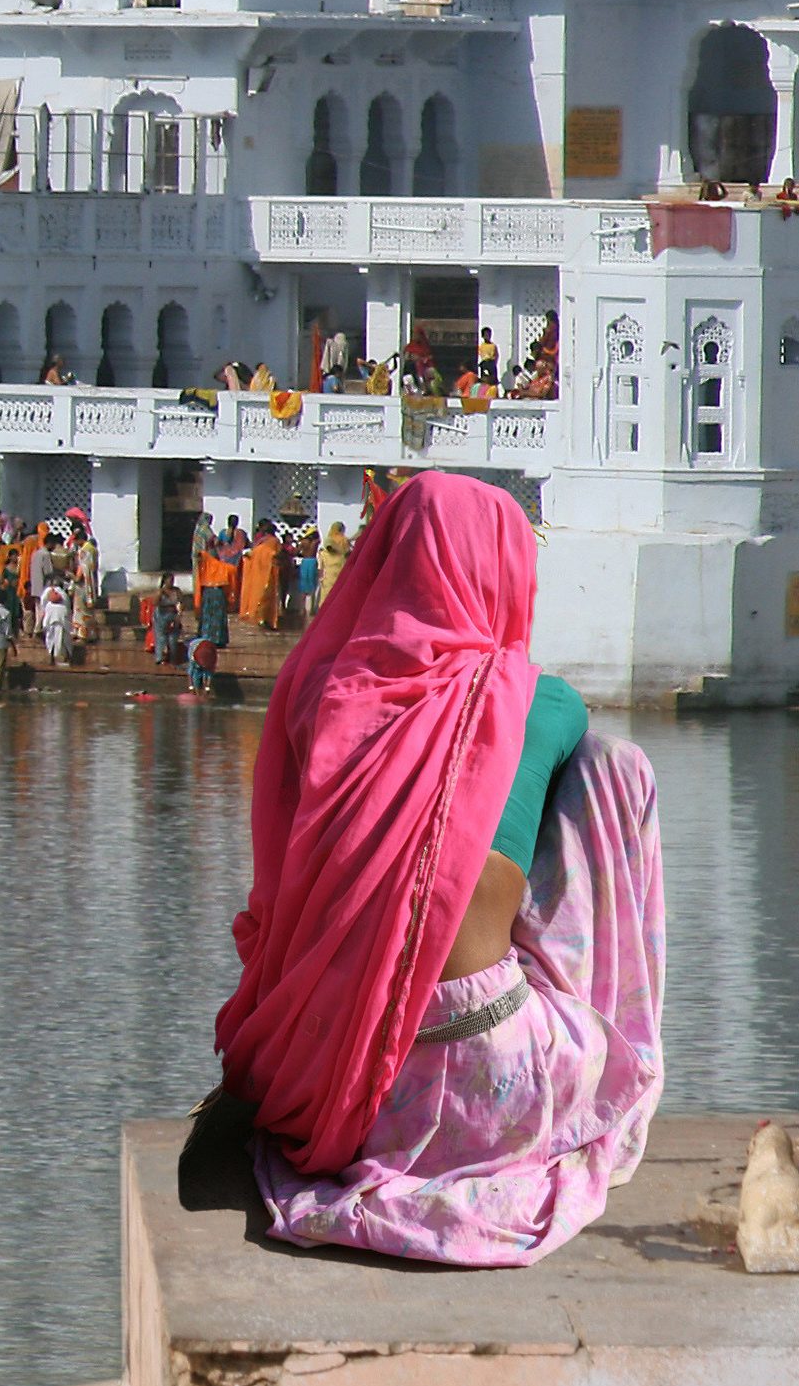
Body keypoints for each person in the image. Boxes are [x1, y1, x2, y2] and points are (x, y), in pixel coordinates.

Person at [209, 473, 662, 1268]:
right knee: (610, 767)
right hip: (493, 1081)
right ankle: (600, 1013)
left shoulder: (313, 693)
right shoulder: (536, 699)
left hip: (324, 1073)